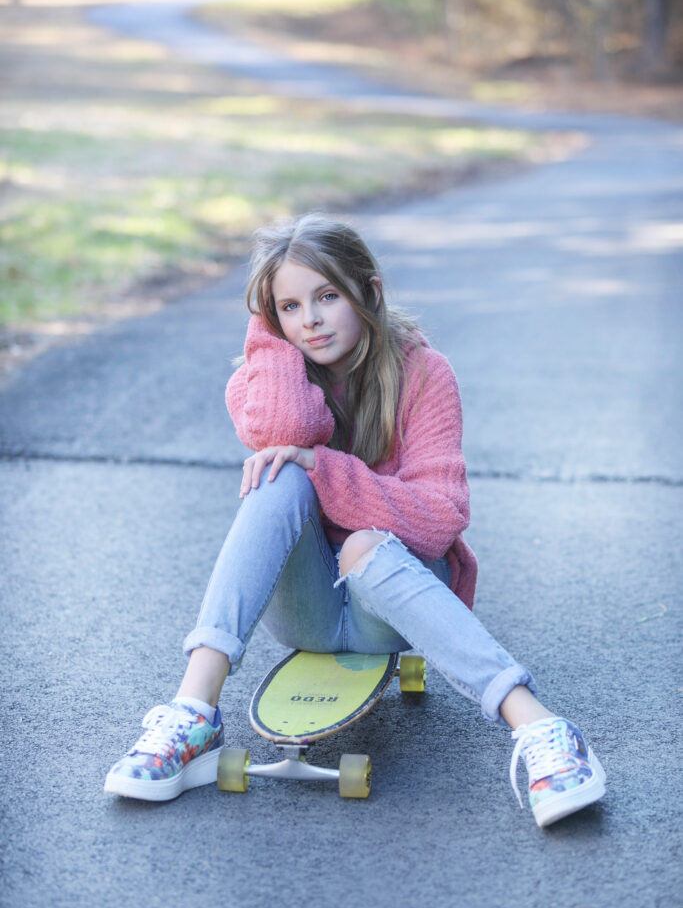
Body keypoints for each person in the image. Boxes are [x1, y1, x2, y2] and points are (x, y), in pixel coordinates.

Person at [104, 214, 606, 827]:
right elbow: (285, 430)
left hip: (390, 605)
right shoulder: (265, 378)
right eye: (288, 306)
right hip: (309, 613)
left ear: (368, 292)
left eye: (327, 296)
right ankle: (192, 713)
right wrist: (270, 341)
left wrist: (328, 467)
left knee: (358, 534)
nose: (309, 320)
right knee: (278, 471)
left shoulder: (424, 373)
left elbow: (442, 516)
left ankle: (541, 730)